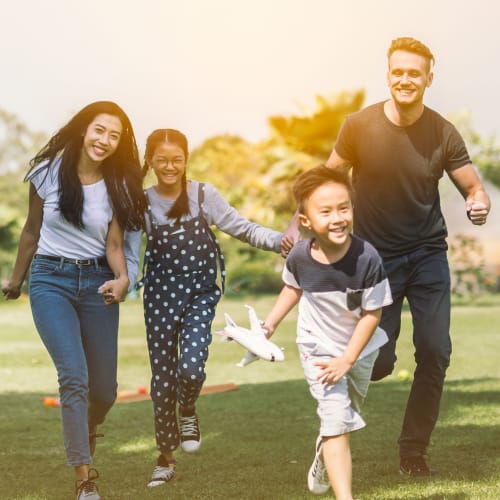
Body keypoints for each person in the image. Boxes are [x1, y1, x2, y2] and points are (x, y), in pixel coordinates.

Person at [324, 37, 491, 475]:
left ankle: (413, 452)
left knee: (435, 351)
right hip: (375, 262)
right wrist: (300, 224)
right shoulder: (359, 126)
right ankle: (346, 409)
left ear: (428, 79)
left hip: (427, 256)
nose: (405, 80)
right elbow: (329, 177)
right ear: (388, 74)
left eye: (414, 73)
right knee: (375, 363)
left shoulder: (442, 132)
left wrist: (478, 201)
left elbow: (471, 186)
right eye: (398, 71)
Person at [1, 101, 146, 500]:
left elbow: (115, 244)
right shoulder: (47, 173)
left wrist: (122, 279)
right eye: (100, 130)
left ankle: (84, 428)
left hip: (97, 283)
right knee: (74, 377)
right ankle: (85, 481)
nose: (105, 140)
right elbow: (31, 231)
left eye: (114, 135)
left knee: (104, 392)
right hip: (51, 280)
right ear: (85, 130)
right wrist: (16, 280)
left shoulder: (118, 185)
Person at [135, 128, 293, 488]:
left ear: (186, 160)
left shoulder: (203, 195)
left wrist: (277, 241)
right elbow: (129, 253)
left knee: (190, 370)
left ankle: (188, 409)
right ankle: (165, 457)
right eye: (162, 161)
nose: (170, 167)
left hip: (200, 294)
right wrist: (123, 279)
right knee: (162, 380)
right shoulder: (141, 203)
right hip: (159, 297)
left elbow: (239, 227)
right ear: (150, 162)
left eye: (177, 160)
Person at [263, 165, 392, 499]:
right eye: (326, 211)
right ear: (306, 221)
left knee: (347, 418)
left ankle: (324, 453)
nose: (338, 218)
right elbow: (293, 289)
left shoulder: (368, 258)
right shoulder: (300, 257)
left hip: (358, 350)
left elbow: (372, 314)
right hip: (317, 348)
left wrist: (348, 359)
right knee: (336, 419)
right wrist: (271, 323)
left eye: (344, 208)